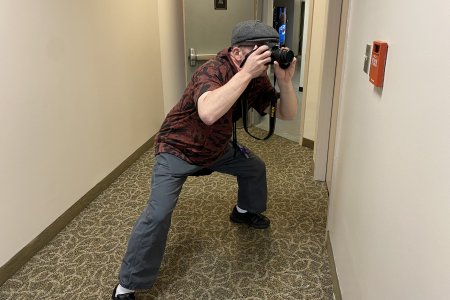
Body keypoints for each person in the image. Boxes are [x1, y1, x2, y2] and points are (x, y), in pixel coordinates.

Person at [112, 20, 298, 300]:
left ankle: (244, 211)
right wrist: (245, 75)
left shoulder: (256, 76)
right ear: (237, 53)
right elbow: (208, 113)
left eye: (269, 53)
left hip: (215, 147)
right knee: (158, 213)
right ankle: (127, 284)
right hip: (178, 147)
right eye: (260, 52)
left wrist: (284, 81)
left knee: (254, 167)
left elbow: (286, 115)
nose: (266, 59)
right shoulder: (212, 70)